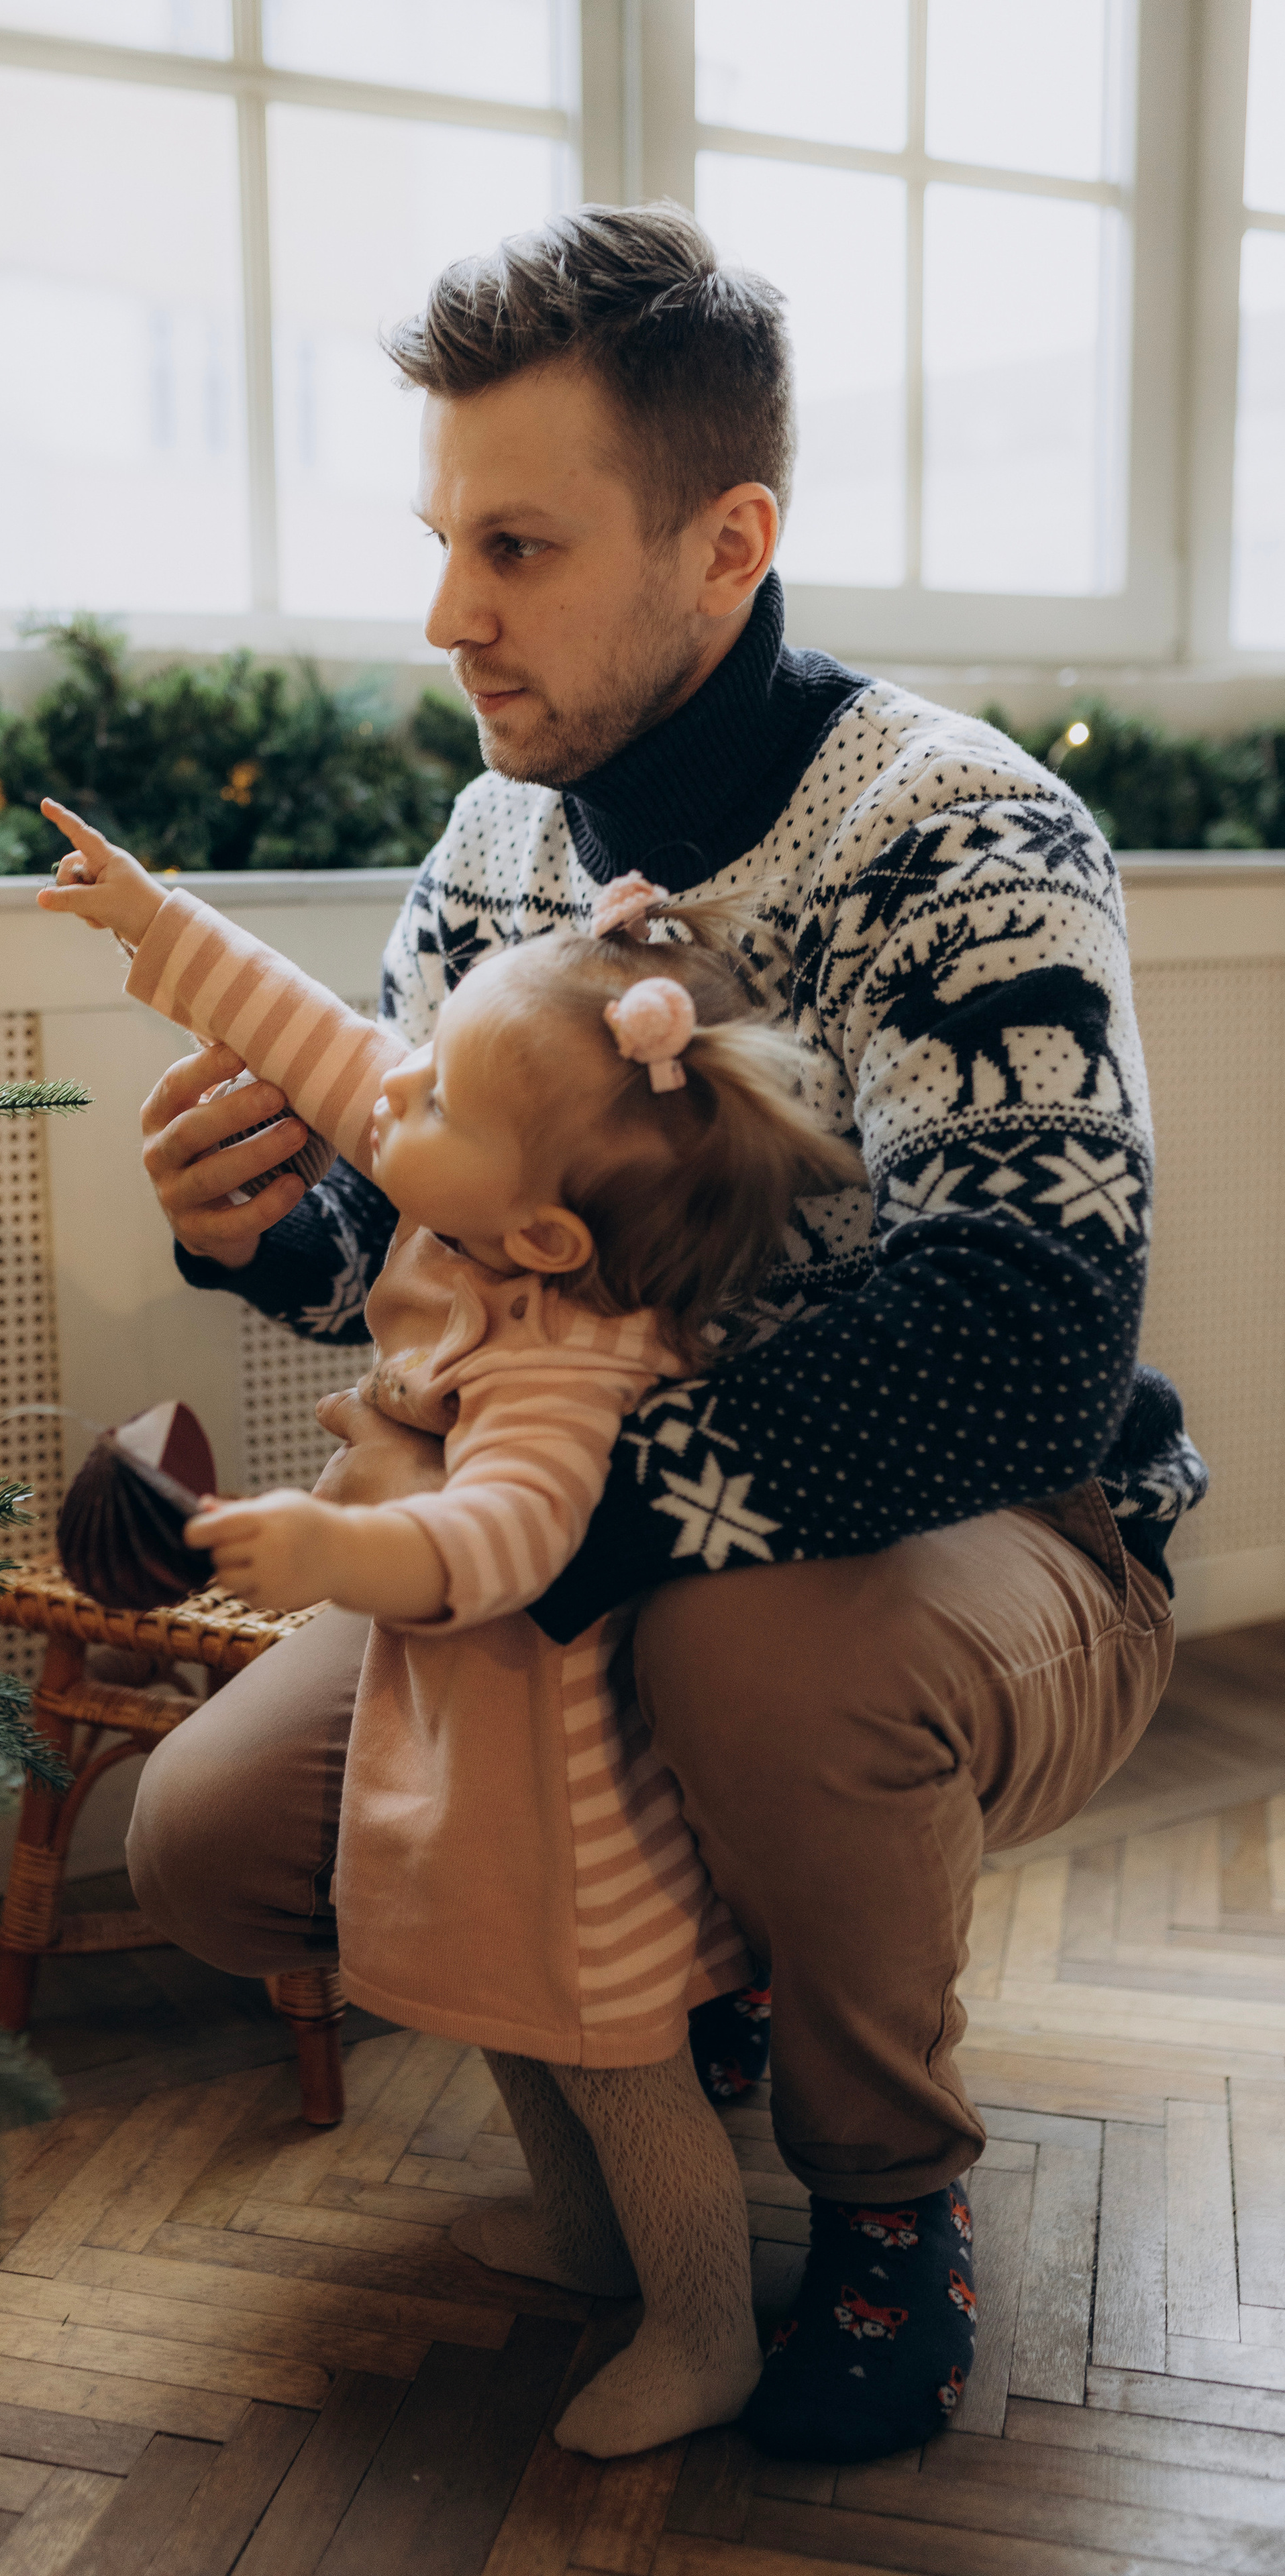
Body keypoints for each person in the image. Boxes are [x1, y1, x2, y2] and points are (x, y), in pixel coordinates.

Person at [116, 204, 1204, 2464]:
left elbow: (1028, 1334)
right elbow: (453, 1252)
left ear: (728, 544)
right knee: (209, 1839)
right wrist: (276, 1237)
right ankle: (688, 2011)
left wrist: (572, 1535)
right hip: (575, 1505)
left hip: (991, 1533)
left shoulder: (970, 830)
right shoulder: (498, 832)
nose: (447, 618)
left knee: (744, 1655)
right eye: (442, 540)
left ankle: (892, 2203)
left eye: (515, 545)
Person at [40, 803, 864, 2452]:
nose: (388, 1086)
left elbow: (498, 1543)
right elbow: (317, 1034)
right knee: (498, 2020)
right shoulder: (470, 1172)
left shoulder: (569, 1354)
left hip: (557, 1805)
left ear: (548, 1235)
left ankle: (702, 2328)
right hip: (462, 1758)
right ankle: (577, 2251)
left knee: (610, 2061)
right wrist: (156, 919)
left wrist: (336, 1549)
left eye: (429, 1091)